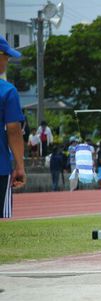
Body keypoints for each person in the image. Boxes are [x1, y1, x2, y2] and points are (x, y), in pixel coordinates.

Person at [0, 35, 26, 218]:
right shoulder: (7, 91)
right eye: (6, 56)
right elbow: (14, 131)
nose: (8, 61)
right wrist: (20, 166)